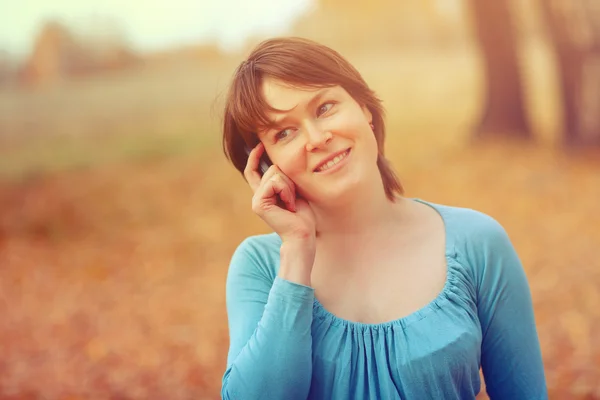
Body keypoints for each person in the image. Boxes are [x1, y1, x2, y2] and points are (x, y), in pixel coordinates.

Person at [219, 37, 547, 400]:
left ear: (365, 109)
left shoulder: (477, 242)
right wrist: (297, 251)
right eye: (284, 132)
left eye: (325, 107)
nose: (316, 138)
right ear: (267, 164)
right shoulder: (260, 267)